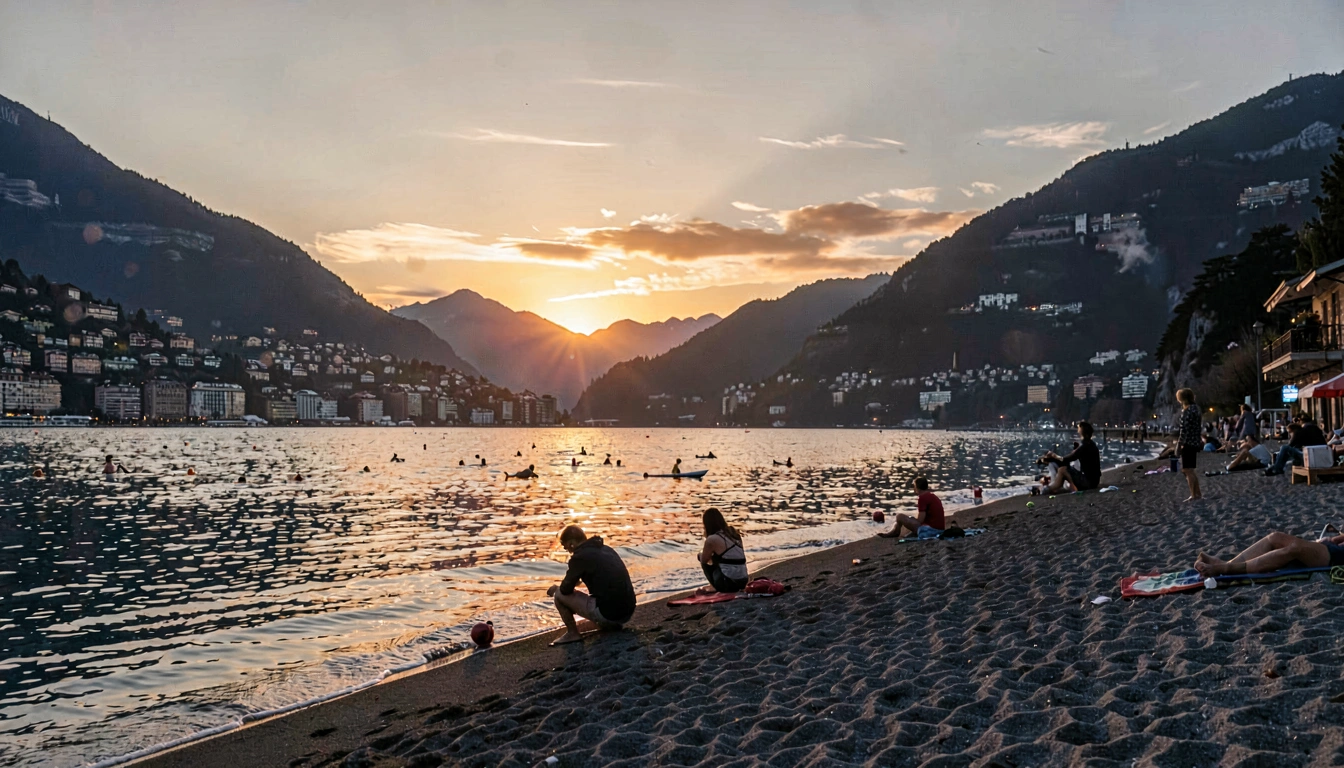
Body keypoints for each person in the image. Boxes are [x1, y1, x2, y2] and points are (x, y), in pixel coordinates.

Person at [545, 525, 635, 646]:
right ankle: (609, 625)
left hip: (609, 615)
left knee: (558, 594)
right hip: (627, 612)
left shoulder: (579, 557)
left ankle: (572, 633)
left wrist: (556, 589)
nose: (567, 550)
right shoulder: (606, 549)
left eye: (565, 546)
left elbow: (565, 590)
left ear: (571, 543)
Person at [1195, 530, 1344, 578]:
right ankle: (1227, 563)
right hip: (1333, 548)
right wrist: (1331, 539)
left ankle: (1227, 570)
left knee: (1294, 549)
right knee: (1275, 537)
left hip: (1338, 557)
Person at [696, 508, 748, 594]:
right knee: (720, 558)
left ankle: (715, 586)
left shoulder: (711, 539)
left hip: (728, 583)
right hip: (743, 580)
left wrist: (699, 554)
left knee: (703, 560)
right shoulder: (734, 534)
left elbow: (704, 559)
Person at [1040, 422, 1102, 493]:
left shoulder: (1085, 446)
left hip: (1088, 483)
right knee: (1064, 469)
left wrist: (1054, 455)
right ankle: (1054, 488)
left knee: (1062, 470)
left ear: (1082, 431)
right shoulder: (1091, 444)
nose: (1077, 430)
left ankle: (1049, 488)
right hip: (1094, 481)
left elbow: (1066, 459)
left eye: (1079, 428)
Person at [879, 477, 946, 539]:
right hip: (939, 529)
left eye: (914, 486)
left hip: (931, 530)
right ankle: (895, 532)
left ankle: (895, 532)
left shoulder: (923, 498)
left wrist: (912, 519)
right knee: (910, 519)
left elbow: (920, 520)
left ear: (917, 487)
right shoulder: (932, 496)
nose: (914, 488)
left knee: (899, 516)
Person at [1175, 389, 1203, 501]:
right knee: (1190, 469)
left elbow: (1184, 431)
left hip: (1188, 443)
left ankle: (1193, 494)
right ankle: (1197, 493)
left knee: (1187, 469)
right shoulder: (1196, 409)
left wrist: (1179, 445)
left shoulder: (1187, 411)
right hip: (1195, 441)